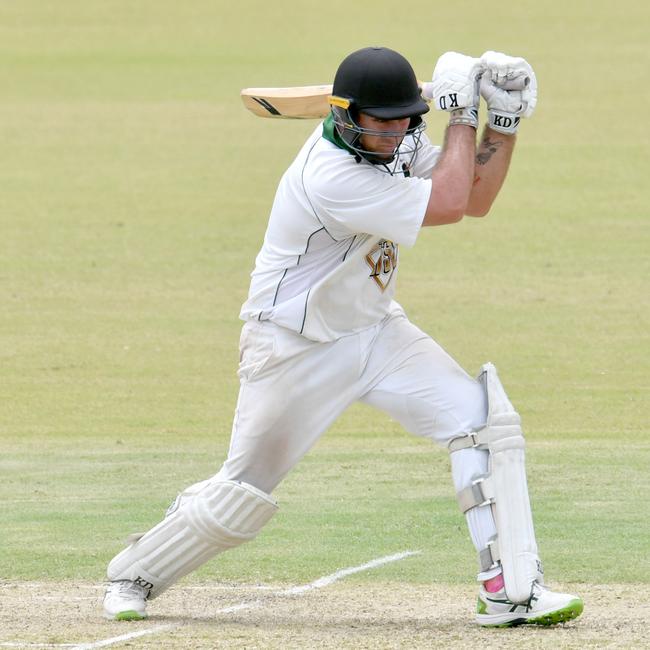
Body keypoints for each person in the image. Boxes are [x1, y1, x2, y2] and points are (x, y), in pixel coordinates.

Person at [103, 46, 583, 627]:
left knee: (485, 424)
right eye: (380, 122)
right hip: (292, 346)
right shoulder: (330, 175)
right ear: (345, 115)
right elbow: (453, 203)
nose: (393, 133)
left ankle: (509, 590)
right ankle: (136, 572)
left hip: (376, 331)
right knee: (241, 495)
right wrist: (461, 115)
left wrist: (501, 123)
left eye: (405, 119)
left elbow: (475, 195)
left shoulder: (396, 143)